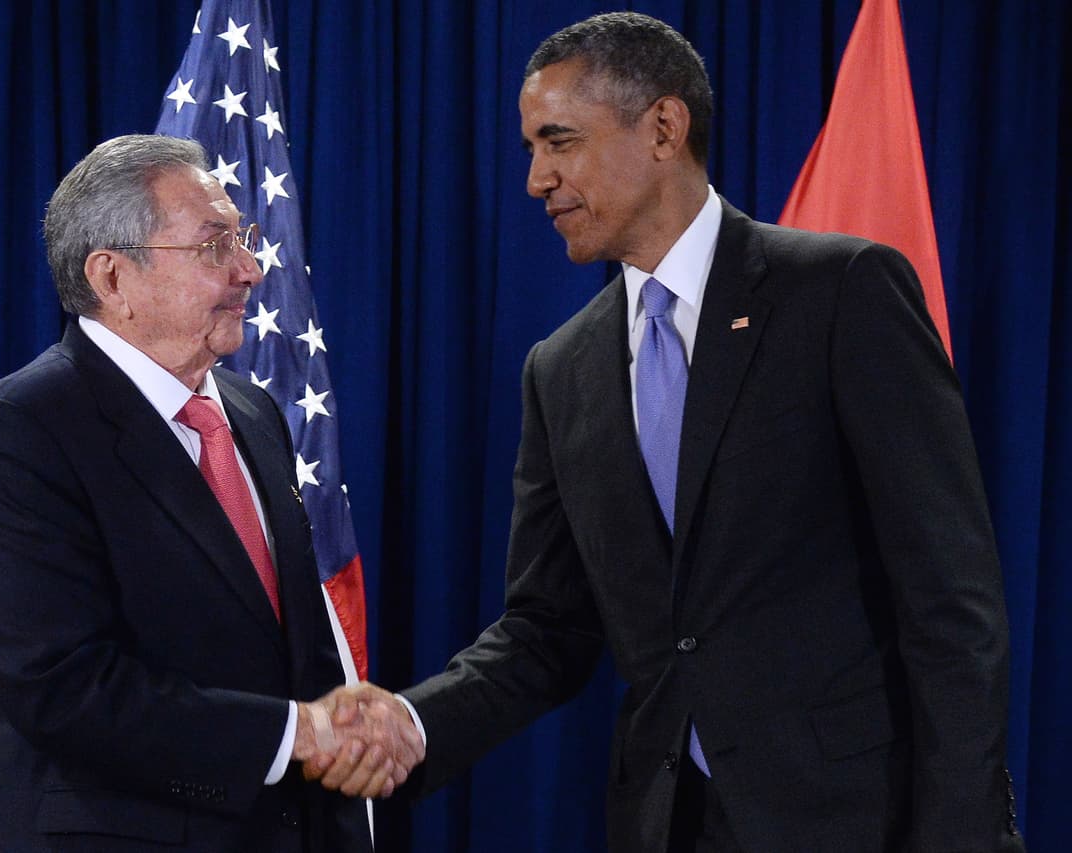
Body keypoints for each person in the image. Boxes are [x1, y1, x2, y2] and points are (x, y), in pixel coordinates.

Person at [314, 11, 1025, 853]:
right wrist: (412, 723)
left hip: (862, 819)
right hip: (668, 824)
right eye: (531, 150)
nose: (537, 178)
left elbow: (952, 598)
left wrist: (959, 835)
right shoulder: (562, 369)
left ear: (663, 127)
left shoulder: (840, 294)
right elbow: (548, 629)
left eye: (560, 141)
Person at [0, 134, 420, 852]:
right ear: (111, 278)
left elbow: (292, 651)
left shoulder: (253, 415)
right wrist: (299, 732)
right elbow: (62, 686)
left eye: (244, 238)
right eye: (213, 245)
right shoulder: (24, 427)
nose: (250, 268)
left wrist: (346, 739)